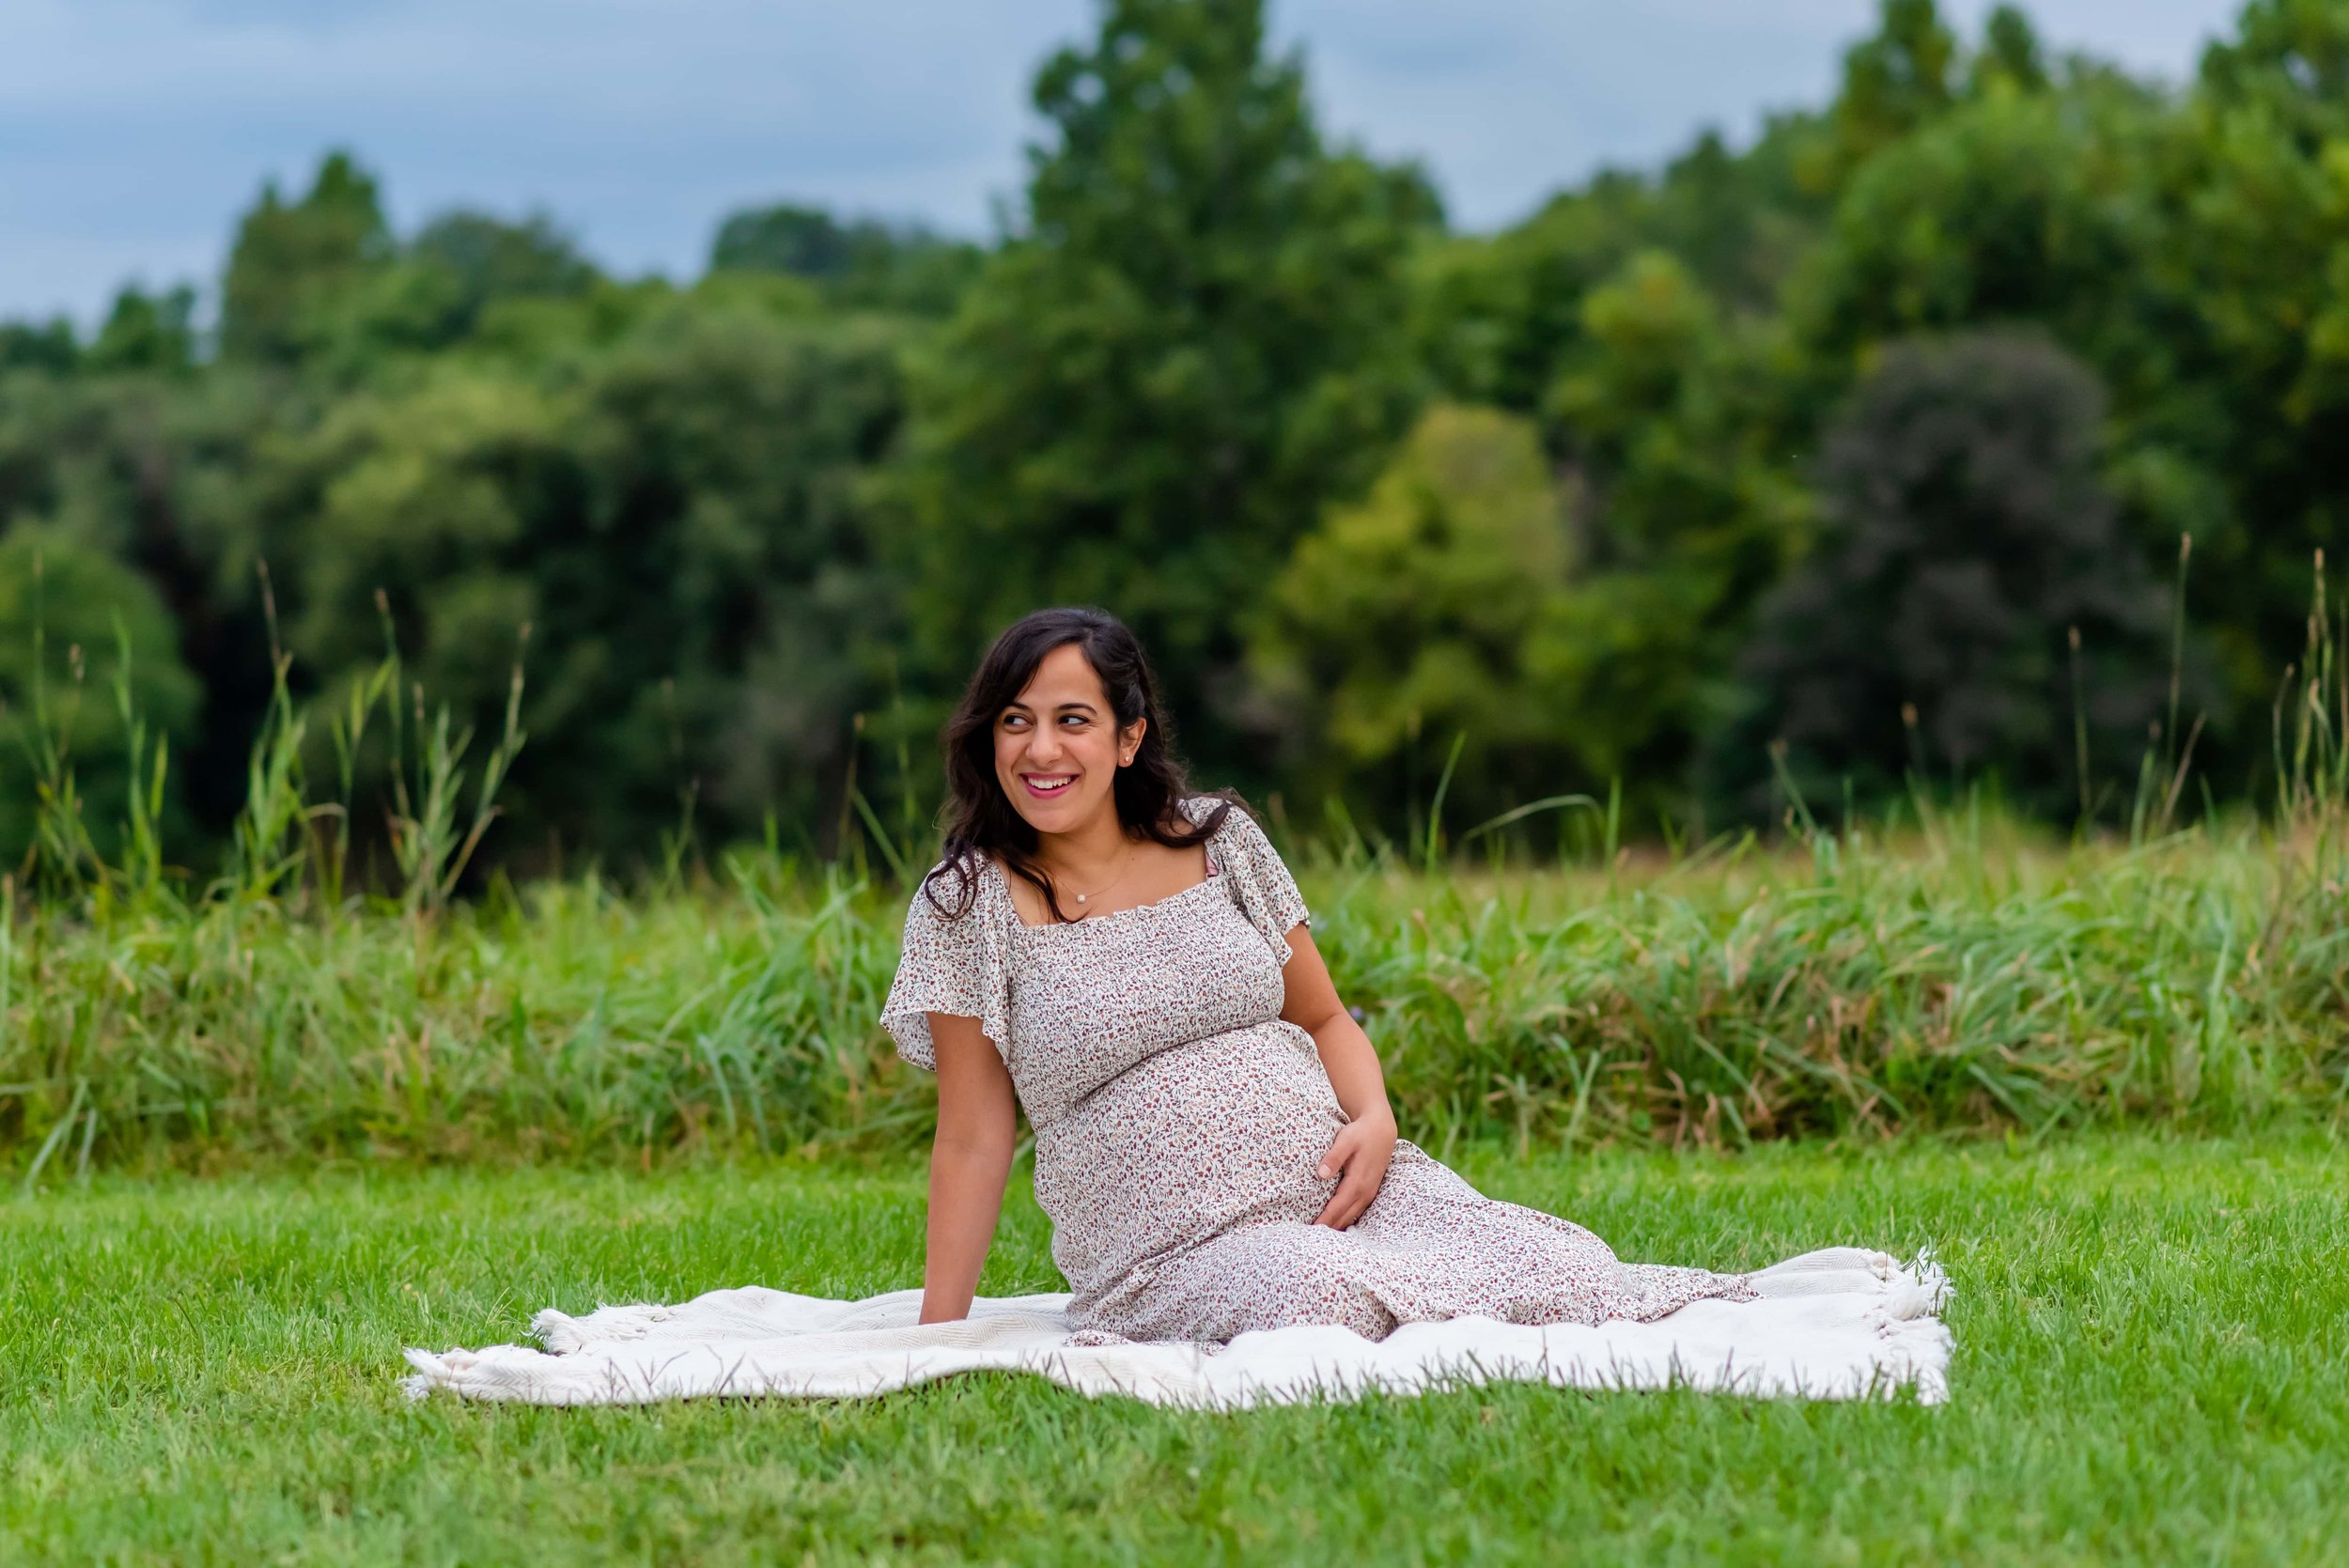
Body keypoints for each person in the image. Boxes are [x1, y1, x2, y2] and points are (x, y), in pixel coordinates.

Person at [879, 607, 1757, 1343]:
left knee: (1562, 1270)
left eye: (1072, 719)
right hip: (1171, 1250)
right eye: (1015, 719)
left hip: (1342, 1190)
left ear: (1127, 737)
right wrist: (937, 1337)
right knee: (1316, 1293)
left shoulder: (1217, 840)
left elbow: (1326, 1017)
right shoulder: (969, 905)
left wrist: (1375, 1118)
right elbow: (971, 1135)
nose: (1040, 748)